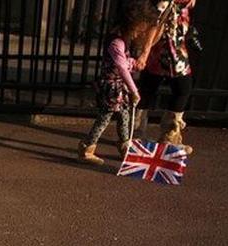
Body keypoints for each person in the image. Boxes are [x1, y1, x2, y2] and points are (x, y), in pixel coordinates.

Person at [78, 1, 158, 165]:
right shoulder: (116, 42)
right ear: (131, 25)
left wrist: (133, 63)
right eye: (137, 30)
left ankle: (125, 146)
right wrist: (134, 90)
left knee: (124, 116)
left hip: (119, 86)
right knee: (104, 118)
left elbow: (123, 63)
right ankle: (87, 148)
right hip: (112, 87)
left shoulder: (120, 39)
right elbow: (121, 67)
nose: (138, 34)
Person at [135, 0, 197, 154]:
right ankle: (167, 138)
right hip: (168, 48)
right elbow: (155, 22)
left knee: (148, 89)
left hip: (172, 46)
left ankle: (136, 135)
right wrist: (144, 52)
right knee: (181, 88)